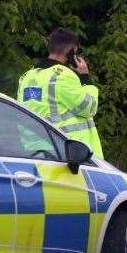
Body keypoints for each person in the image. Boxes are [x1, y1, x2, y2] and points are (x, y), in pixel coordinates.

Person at [17, 28, 104, 158]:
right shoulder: (62, 75)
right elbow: (88, 107)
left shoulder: (27, 77)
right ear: (71, 52)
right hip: (69, 155)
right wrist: (85, 79)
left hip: (35, 154)